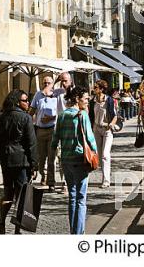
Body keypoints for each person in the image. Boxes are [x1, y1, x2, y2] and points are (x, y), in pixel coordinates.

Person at [0, 89, 38, 234]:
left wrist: (0, 148)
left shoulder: (1, 117)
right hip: (21, 161)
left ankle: (2, 222)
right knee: (21, 196)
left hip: (6, 159)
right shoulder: (25, 118)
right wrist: (34, 164)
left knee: (7, 193)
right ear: (17, 102)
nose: (28, 103)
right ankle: (17, 229)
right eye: (25, 100)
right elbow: (31, 143)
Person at [51, 86, 97, 235]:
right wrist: (95, 154)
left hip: (66, 160)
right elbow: (90, 139)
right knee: (81, 198)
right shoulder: (82, 115)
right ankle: (78, 233)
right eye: (85, 99)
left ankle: (73, 230)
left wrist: (54, 155)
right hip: (79, 159)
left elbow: (55, 139)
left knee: (72, 196)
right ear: (77, 99)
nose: (87, 102)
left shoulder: (62, 115)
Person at [29, 76, 57, 192]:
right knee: (41, 158)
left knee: (51, 157)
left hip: (52, 130)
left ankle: (51, 182)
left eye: (48, 83)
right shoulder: (38, 95)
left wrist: (51, 117)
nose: (46, 84)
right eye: (44, 82)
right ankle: (43, 175)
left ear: (52, 84)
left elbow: (61, 113)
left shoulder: (56, 96)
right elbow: (32, 111)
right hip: (40, 130)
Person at [90, 80, 117, 188]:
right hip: (96, 129)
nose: (94, 88)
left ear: (101, 89)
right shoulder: (92, 101)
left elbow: (115, 115)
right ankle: (105, 174)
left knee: (105, 155)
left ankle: (106, 181)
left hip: (106, 129)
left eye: (96, 87)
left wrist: (111, 124)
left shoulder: (109, 100)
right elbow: (91, 116)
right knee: (100, 156)